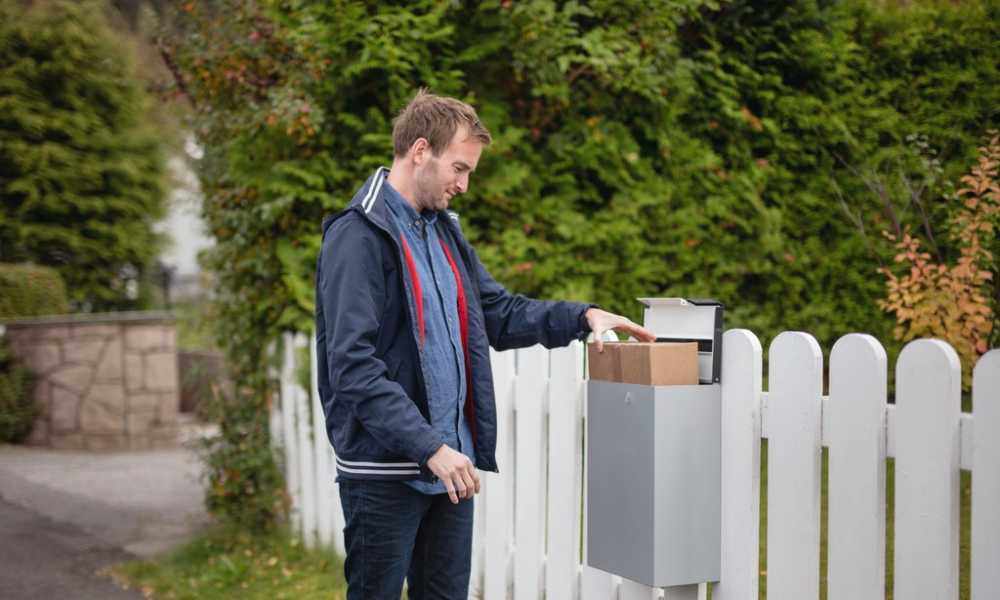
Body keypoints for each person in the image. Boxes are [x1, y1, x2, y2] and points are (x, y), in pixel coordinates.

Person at [315, 90, 655, 599]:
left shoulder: (444, 233)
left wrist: (582, 317)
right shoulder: (358, 236)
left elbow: (496, 313)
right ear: (420, 150)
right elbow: (353, 367)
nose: (465, 185)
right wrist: (429, 447)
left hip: (451, 471)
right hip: (386, 473)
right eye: (459, 168)